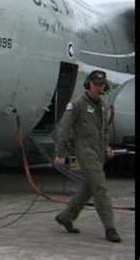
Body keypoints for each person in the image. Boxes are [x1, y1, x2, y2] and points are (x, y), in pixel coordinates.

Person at [53, 69, 121, 243]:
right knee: (100, 187)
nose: (100, 88)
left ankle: (66, 216)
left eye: (102, 85)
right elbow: (64, 128)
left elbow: (104, 130)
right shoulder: (77, 105)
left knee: (88, 189)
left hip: (98, 152)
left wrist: (107, 148)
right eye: (97, 84)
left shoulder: (102, 105)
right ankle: (110, 228)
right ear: (89, 85)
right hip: (85, 151)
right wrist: (60, 152)